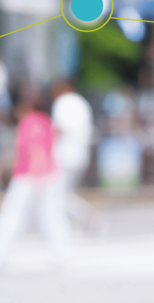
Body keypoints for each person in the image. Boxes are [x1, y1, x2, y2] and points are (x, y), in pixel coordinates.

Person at [0, 86, 68, 269]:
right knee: (51, 214)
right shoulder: (45, 120)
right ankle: (60, 251)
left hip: (31, 176)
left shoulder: (30, 122)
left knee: (13, 214)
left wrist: (38, 174)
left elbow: (36, 150)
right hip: (49, 174)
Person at [51, 80, 96, 230]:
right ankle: (82, 215)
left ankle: (83, 214)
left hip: (64, 155)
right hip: (81, 154)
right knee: (62, 193)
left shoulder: (63, 102)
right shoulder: (82, 103)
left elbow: (60, 129)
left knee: (57, 195)